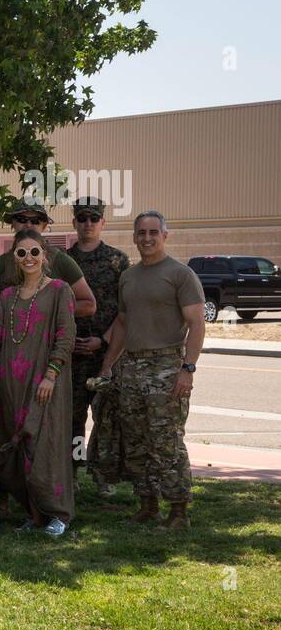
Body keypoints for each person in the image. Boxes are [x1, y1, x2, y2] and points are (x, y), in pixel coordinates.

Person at [96, 210, 205, 529]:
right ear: (134, 237)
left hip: (167, 367)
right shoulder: (129, 276)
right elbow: (122, 322)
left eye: (153, 232)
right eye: (141, 232)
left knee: (166, 441)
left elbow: (197, 323)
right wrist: (107, 365)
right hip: (130, 368)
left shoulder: (180, 274)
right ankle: (148, 504)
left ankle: (179, 510)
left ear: (165, 236)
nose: (146, 238)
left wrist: (188, 368)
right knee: (136, 440)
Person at [0, 229, 77, 536]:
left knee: (46, 445)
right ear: (14, 258)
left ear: (45, 255)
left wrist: (51, 374)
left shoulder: (60, 290)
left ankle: (58, 514)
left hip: (45, 382)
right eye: (21, 253)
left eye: (34, 252)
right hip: (11, 382)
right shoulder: (8, 296)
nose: (28, 258)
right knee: (16, 446)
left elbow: (65, 336)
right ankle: (34, 513)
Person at [66, 197, 129, 494]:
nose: (87, 223)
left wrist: (101, 341)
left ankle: (104, 477)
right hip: (72, 354)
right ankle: (73, 473)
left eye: (93, 218)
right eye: (82, 218)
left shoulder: (118, 261)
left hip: (107, 352)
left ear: (103, 222)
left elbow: (125, 311)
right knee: (74, 419)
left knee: (106, 419)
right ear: (74, 222)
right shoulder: (63, 261)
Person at [0, 198, 97, 319]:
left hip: (49, 336)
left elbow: (88, 305)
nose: (28, 225)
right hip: (11, 335)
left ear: (44, 225)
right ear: (13, 223)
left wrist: (45, 310)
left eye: (35, 221)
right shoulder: (0, 264)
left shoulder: (60, 260)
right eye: (22, 220)